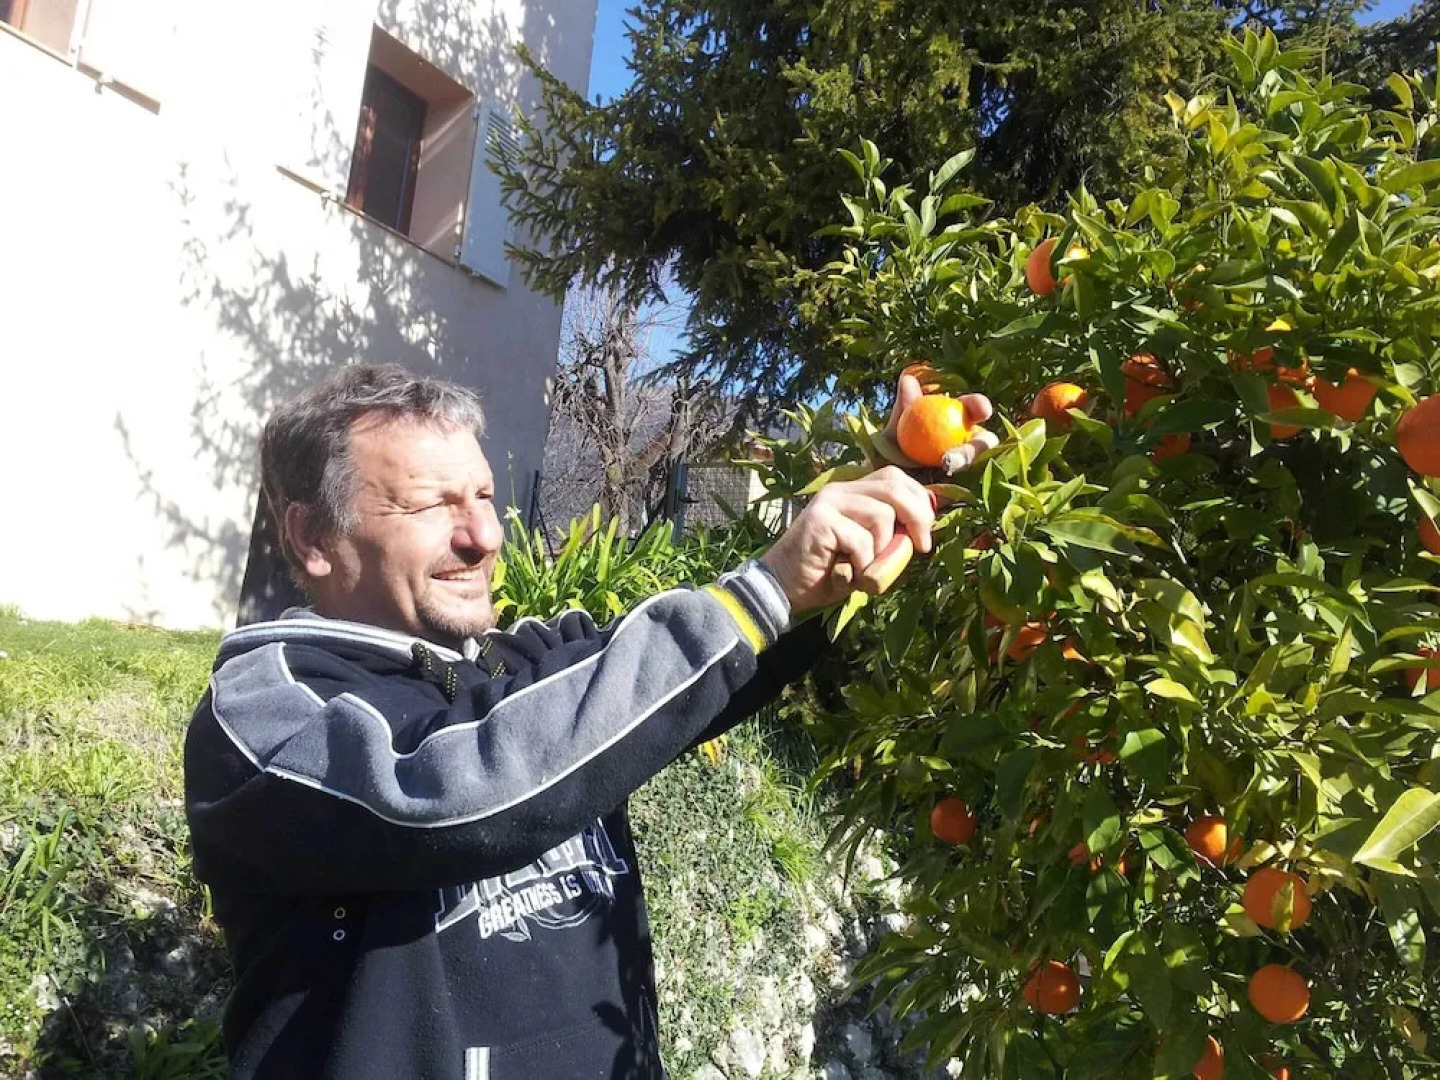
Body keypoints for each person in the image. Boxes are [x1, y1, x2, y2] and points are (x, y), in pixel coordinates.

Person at [184, 363, 993, 1080]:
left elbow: (693, 674)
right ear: (314, 536)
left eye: (487, 498)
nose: (485, 536)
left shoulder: (517, 665)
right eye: (435, 506)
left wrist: (888, 481)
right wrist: (764, 591)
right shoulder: (268, 714)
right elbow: (449, 790)